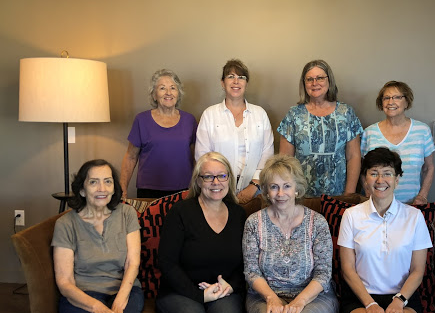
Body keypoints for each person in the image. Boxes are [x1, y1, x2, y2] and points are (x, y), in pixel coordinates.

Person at [338, 147, 432, 313]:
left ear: (397, 179)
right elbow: (348, 269)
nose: (380, 180)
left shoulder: (414, 217)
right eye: (374, 173)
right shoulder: (351, 215)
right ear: (365, 179)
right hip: (360, 298)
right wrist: (370, 303)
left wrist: (399, 300)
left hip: (404, 298)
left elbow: (417, 270)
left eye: (387, 174)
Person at [243, 154, 338, 313]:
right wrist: (271, 298)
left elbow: (323, 273)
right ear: (266, 191)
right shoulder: (254, 223)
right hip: (264, 297)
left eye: (287, 186)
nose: (280, 193)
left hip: (314, 297)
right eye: (274, 187)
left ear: (297, 189)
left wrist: (299, 302)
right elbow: (251, 272)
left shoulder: (317, 223)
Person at [156, 152, 246, 313]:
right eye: (208, 176)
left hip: (225, 291)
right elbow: (167, 263)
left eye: (222, 176)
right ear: (198, 181)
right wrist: (198, 295)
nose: (216, 182)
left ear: (229, 179)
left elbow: (247, 263)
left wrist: (230, 286)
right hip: (180, 291)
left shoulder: (239, 215)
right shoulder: (180, 212)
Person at [52, 159, 143, 313]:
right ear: (82, 190)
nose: (102, 188)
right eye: (94, 182)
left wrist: (119, 302)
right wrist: (96, 306)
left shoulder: (127, 214)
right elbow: (64, 281)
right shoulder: (65, 224)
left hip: (125, 290)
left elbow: (132, 263)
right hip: (83, 294)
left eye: (108, 181)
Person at [278, 59, 363, 197]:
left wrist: (349, 195)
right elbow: (285, 160)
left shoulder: (346, 113)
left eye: (320, 78)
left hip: (339, 196)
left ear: (329, 80)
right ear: (304, 84)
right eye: (309, 79)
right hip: (301, 196)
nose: (314, 83)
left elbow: (353, 156)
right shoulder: (294, 115)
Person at [195, 59, 274, 204]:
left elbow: (267, 154)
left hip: (255, 193)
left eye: (241, 77)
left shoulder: (260, 114)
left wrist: (253, 186)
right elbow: (202, 157)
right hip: (217, 191)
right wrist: (220, 186)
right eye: (231, 77)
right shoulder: (209, 115)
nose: (236, 81)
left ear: (246, 83)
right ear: (222, 83)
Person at [121, 69, 197, 199]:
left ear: (178, 94)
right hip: (149, 190)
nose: (168, 93)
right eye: (162, 88)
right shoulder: (142, 120)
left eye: (173, 88)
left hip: (183, 190)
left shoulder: (189, 120)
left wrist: (197, 187)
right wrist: (123, 191)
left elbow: (197, 157)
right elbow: (130, 157)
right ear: (154, 95)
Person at [361, 80, 435, 204]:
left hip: (411, 206)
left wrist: (422, 196)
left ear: (407, 102)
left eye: (397, 97)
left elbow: (429, 168)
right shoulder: (369, 132)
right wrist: (368, 192)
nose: (391, 102)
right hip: (376, 205)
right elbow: (363, 169)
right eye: (386, 98)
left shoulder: (422, 131)